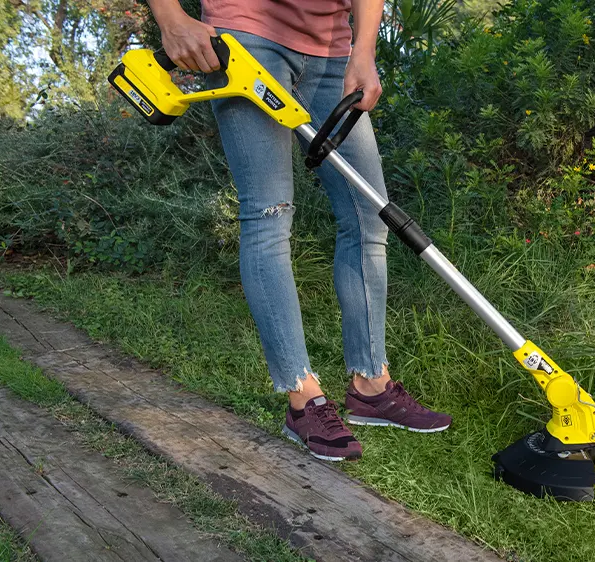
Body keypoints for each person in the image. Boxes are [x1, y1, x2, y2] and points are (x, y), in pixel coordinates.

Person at [145, 0, 451, 461]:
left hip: (332, 52)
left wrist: (363, 52)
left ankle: (371, 385)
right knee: (269, 214)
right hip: (246, 39)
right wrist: (170, 18)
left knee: (369, 214)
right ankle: (301, 395)